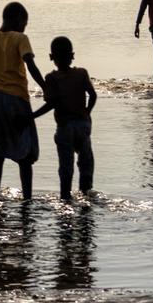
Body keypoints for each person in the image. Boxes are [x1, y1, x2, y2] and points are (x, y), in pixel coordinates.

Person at [0, 1, 45, 200]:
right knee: (26, 155)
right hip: (17, 100)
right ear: (18, 19)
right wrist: (46, 87)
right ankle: (27, 199)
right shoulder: (20, 38)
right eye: (25, 23)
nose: (25, 27)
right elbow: (31, 66)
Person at [33, 36, 97, 201]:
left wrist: (32, 116)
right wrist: (87, 112)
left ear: (51, 57)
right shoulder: (82, 73)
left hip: (65, 127)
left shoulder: (51, 78)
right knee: (86, 162)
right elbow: (93, 95)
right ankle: (86, 193)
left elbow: (51, 103)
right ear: (72, 55)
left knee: (66, 166)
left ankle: (65, 197)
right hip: (83, 126)